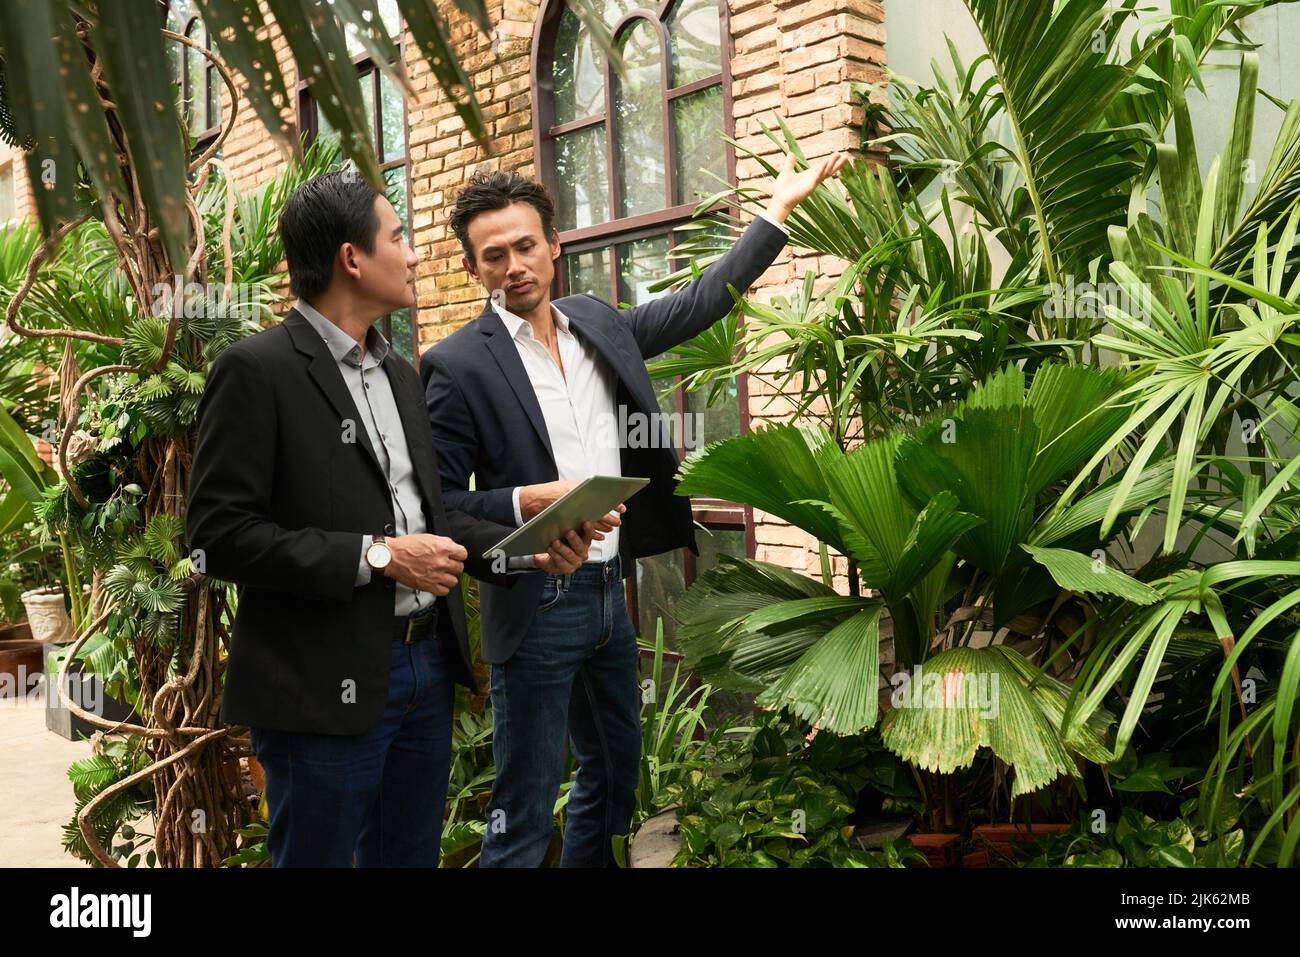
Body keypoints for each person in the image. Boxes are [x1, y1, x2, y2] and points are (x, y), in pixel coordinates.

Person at [421, 151, 849, 866]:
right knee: (523, 813)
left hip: (606, 598)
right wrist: (526, 501)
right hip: (534, 604)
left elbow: (702, 300)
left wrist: (776, 210)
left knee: (615, 777)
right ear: (474, 269)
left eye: (526, 245)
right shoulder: (457, 364)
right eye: (493, 256)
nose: (514, 265)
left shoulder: (595, 320)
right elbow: (437, 504)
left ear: (553, 244)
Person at [186, 170, 604, 867]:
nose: (413, 255)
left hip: (423, 671)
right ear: (353, 258)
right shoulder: (257, 371)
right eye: (398, 236)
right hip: (320, 685)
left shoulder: (402, 375)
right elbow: (218, 536)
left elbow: (433, 522)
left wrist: (530, 550)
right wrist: (377, 556)